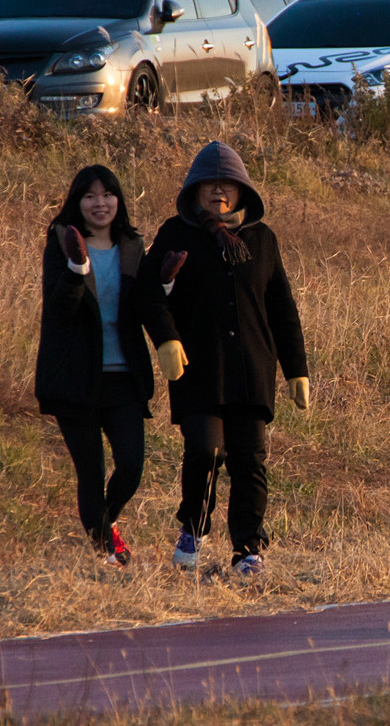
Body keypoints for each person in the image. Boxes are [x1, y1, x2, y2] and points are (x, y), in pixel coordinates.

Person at [140, 140, 310, 576]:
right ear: (195, 190)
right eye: (210, 184)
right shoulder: (176, 234)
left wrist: (297, 370)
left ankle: (247, 550)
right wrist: (165, 340)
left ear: (242, 192)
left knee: (249, 460)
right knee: (205, 449)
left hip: (252, 369)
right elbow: (146, 293)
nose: (219, 192)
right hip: (198, 368)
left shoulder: (262, 239)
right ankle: (193, 529)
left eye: (228, 184)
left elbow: (283, 309)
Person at [35, 165, 154, 567]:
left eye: (107, 194)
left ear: (118, 200)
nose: (99, 203)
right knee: (90, 470)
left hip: (123, 376)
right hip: (75, 378)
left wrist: (167, 287)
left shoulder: (133, 245)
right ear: (77, 202)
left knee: (131, 467)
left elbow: (147, 304)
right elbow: (59, 309)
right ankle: (107, 551)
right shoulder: (63, 241)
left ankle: (105, 522)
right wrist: (76, 268)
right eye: (90, 195)